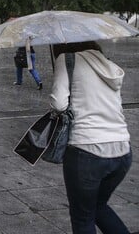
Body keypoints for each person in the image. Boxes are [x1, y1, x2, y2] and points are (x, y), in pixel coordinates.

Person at [50, 41, 132, 234]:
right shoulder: (108, 64)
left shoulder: (66, 59)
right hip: (122, 151)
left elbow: (59, 104)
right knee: (98, 207)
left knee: (82, 216)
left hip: (87, 151)